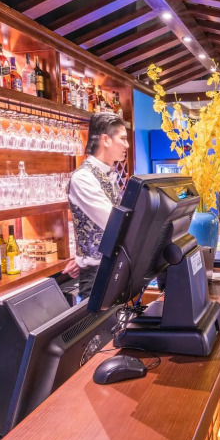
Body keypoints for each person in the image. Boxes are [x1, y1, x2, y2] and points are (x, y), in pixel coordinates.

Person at [64, 112, 129, 301]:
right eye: (123, 138)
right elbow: (116, 224)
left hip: (113, 270)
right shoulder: (83, 178)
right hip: (97, 276)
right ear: (105, 140)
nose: (127, 145)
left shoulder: (109, 174)